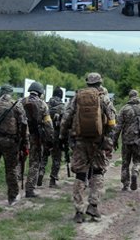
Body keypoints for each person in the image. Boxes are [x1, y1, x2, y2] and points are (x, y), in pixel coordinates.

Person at [59, 72, 117, 223]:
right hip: (98, 142)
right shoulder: (104, 98)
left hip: (80, 141)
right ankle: (93, 205)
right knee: (98, 172)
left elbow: (66, 118)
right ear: (100, 82)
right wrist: (107, 139)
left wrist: (62, 136)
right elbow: (112, 122)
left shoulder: (77, 97)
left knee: (80, 174)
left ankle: (79, 211)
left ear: (87, 83)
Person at [114, 90, 140, 191]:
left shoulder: (124, 109)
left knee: (125, 162)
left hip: (126, 140)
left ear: (129, 97)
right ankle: (135, 172)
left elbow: (118, 126)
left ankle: (125, 185)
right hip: (139, 140)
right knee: (138, 161)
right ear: (137, 96)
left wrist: (114, 140)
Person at [21, 82, 53, 198]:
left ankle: (15, 184)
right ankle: (29, 190)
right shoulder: (43, 105)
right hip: (35, 137)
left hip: (21, 136)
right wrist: (50, 140)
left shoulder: (21, 101)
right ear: (40, 93)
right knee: (34, 163)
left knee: (18, 160)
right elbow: (48, 124)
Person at [46, 88, 66, 187]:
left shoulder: (45, 105)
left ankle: (40, 174)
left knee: (42, 156)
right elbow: (65, 123)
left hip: (45, 135)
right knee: (57, 158)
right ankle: (52, 180)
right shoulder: (62, 107)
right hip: (57, 136)